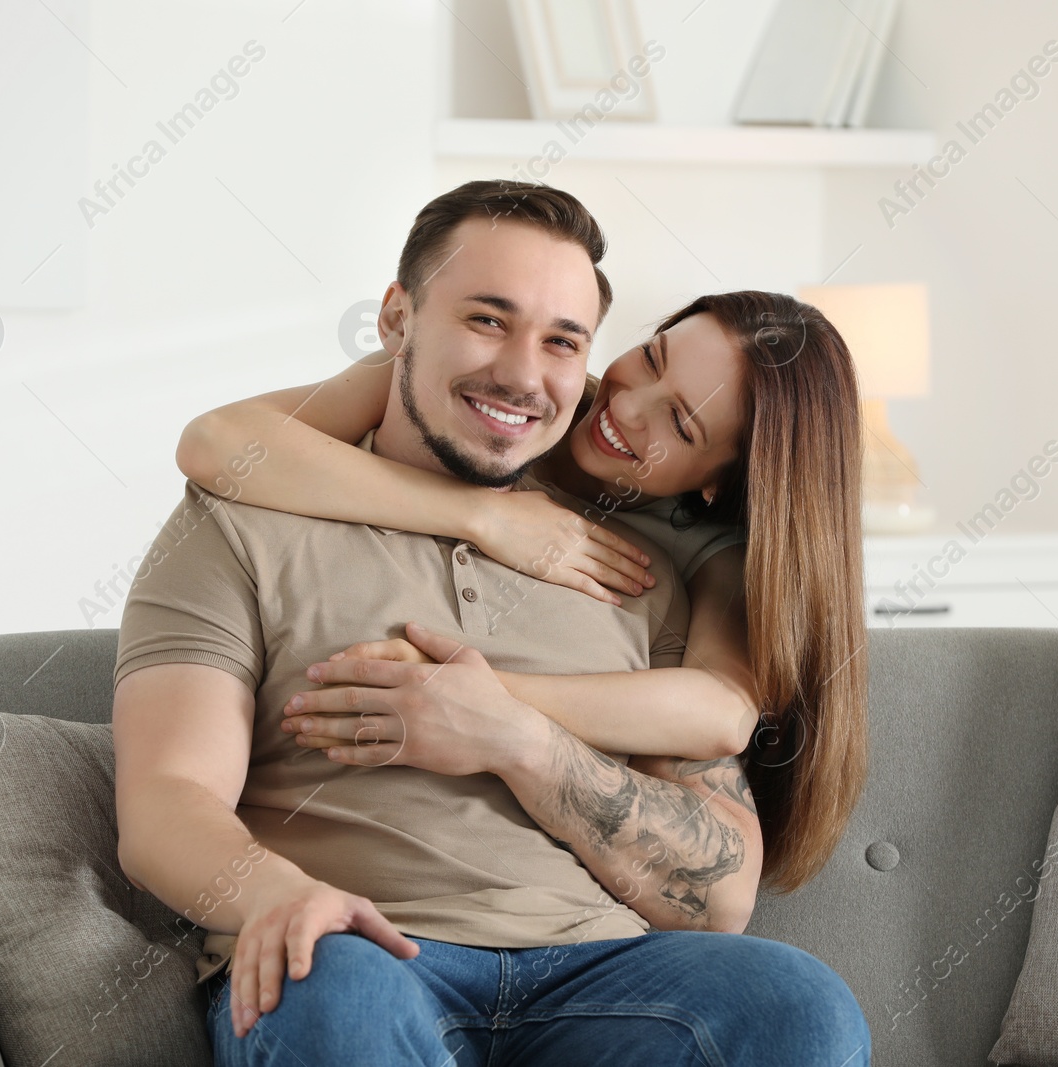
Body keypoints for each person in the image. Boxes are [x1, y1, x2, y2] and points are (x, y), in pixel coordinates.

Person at [113, 179, 871, 1065]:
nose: (522, 372)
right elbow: (168, 799)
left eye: (561, 340)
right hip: (367, 954)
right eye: (485, 319)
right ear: (397, 318)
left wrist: (514, 734)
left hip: (600, 977)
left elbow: (719, 893)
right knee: (334, 993)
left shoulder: (652, 567)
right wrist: (277, 895)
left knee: (798, 1004)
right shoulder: (244, 513)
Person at [178, 295, 869, 898]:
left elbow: (719, 712)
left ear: (722, 480)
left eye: (680, 425)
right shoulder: (525, 389)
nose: (624, 407)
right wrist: (484, 515)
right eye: (652, 358)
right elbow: (217, 442)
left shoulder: (709, 549)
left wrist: (472, 698)